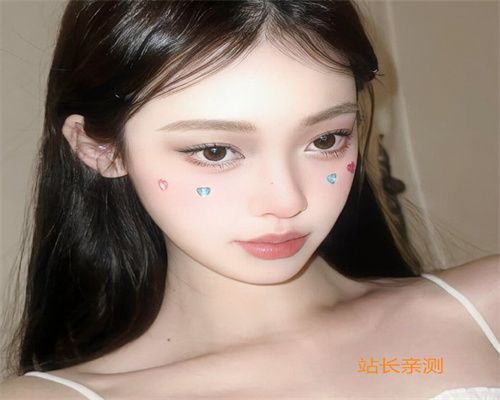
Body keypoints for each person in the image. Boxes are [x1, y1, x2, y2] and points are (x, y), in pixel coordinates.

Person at [0, 1, 498, 399]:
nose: (286, 201)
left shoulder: (487, 312)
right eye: (215, 151)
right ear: (100, 149)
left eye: (325, 139)